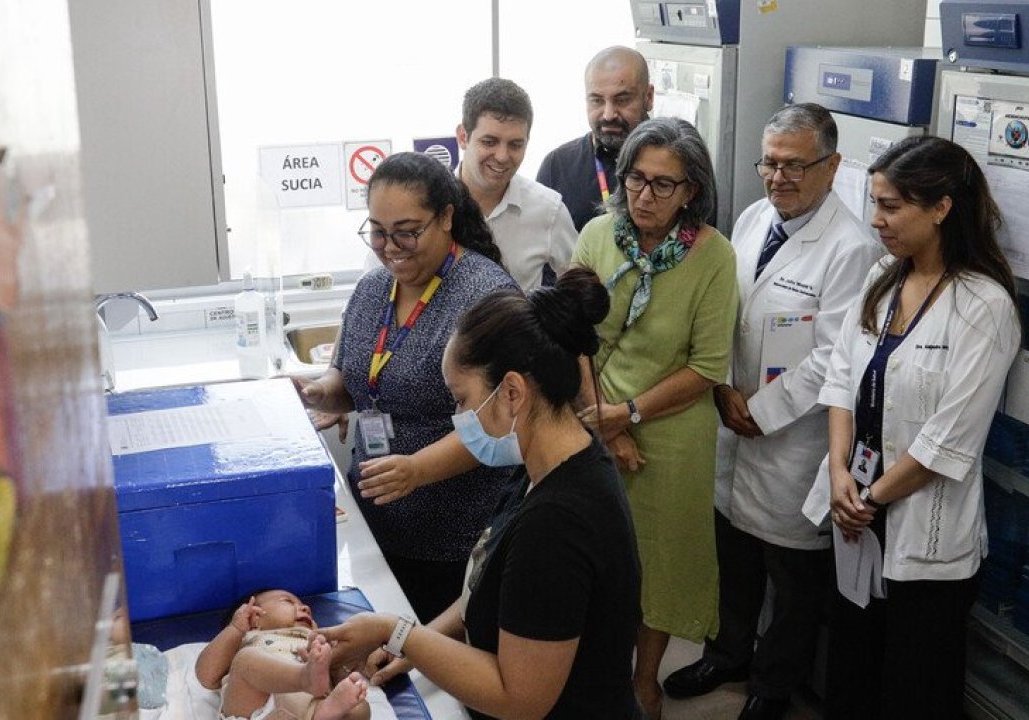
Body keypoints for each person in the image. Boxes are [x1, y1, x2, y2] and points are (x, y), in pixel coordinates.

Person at [319, 268, 644, 720]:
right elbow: (487, 588)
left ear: (512, 392)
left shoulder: (559, 522)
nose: (460, 417)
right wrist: (411, 643)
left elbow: (520, 698)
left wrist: (397, 632)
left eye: (461, 399)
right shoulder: (543, 463)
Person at [663, 103, 884, 720]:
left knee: (791, 582)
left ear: (833, 167)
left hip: (795, 440)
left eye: (795, 166)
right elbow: (723, 317)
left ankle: (773, 686)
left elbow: (836, 357)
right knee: (732, 558)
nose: (778, 177)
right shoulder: (753, 218)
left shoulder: (853, 249)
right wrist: (721, 389)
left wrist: (762, 411)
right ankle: (727, 654)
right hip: (731, 416)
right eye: (769, 163)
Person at [801, 135, 1021, 718]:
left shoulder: (984, 307)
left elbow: (948, 439)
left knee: (913, 691)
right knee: (851, 673)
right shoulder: (884, 275)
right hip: (857, 514)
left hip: (920, 533)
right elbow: (841, 379)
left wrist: (869, 497)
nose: (876, 219)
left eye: (891, 206)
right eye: (874, 203)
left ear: (942, 207)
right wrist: (841, 473)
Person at [293, 152, 518, 623]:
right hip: (378, 520)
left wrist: (416, 470)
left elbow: (497, 425)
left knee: (432, 655)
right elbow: (356, 382)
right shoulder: (374, 288)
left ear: (446, 218)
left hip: (453, 533)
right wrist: (320, 392)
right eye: (378, 231)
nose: (391, 247)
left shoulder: (484, 296)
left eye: (407, 231)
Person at [571, 116, 737, 719]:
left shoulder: (714, 257)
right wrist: (605, 424)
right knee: (599, 557)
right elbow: (571, 332)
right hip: (591, 416)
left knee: (661, 564)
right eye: (636, 179)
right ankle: (602, 676)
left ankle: (646, 681)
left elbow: (708, 366)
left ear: (691, 190)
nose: (644, 195)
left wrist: (628, 415)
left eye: (663, 184)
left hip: (673, 429)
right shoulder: (597, 235)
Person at [456, 77, 577, 291]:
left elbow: (579, 288)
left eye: (515, 145)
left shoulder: (549, 210)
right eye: (489, 142)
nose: (502, 156)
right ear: (463, 137)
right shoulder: (429, 203)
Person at [195, 589, 370, 720]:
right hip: (256, 711)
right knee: (245, 661)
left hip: (309, 709)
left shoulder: (318, 644)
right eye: (288, 601)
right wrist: (235, 628)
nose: (306, 608)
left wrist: (337, 672)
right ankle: (305, 678)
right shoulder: (245, 639)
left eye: (304, 606)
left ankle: (323, 713)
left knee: (360, 707)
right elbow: (207, 676)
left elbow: (338, 677)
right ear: (254, 617)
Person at [536, 46, 654, 232]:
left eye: (622, 100)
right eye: (597, 100)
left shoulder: (679, 163)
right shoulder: (558, 166)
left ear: (649, 97)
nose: (608, 114)